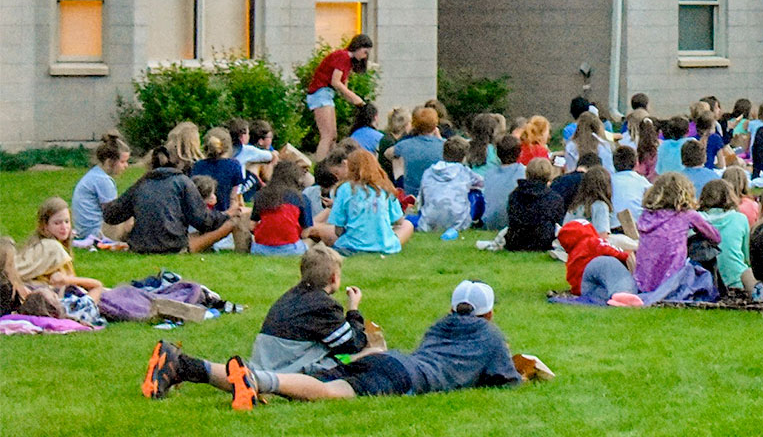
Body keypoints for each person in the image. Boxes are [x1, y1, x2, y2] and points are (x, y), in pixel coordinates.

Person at [216, 281, 527, 409]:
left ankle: (194, 367)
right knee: (330, 393)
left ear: (452, 309)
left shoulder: (440, 325)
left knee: (314, 381)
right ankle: (255, 381)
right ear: (490, 313)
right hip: (402, 375)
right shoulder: (491, 335)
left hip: (388, 359)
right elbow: (506, 380)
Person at [144, 245, 369, 402]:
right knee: (348, 368)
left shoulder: (292, 295)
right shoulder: (324, 305)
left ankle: (181, 364)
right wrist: (353, 310)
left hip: (270, 352)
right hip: (286, 360)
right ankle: (181, 364)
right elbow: (351, 345)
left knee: (248, 375)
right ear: (333, 278)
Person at [101, 131, 239, 254]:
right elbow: (203, 221)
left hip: (140, 246)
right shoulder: (182, 182)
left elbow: (112, 216)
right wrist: (226, 214)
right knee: (231, 223)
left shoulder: (141, 184)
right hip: (173, 246)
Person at [629, 173, 721, 303]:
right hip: (674, 279)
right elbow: (715, 237)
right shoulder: (686, 215)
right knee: (703, 271)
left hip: (644, 280)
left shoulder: (646, 216)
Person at [328, 149, 412, 255]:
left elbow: (338, 229)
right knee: (407, 224)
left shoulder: (345, 189)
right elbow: (398, 220)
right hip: (384, 245)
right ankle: (387, 244)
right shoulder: (385, 187)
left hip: (352, 246)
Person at [17, 197, 103, 298]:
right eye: (57, 223)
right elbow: (67, 282)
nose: (64, 227)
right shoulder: (51, 247)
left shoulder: (47, 245)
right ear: (44, 226)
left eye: (67, 221)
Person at [307, 34, 372, 159]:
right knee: (327, 135)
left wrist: (356, 102)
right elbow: (335, 82)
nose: (365, 56)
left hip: (326, 94)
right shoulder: (343, 56)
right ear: (358, 47)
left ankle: (331, 163)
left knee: (333, 135)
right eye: (365, 52)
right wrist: (355, 98)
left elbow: (343, 88)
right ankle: (321, 166)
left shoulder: (347, 62)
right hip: (320, 93)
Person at [247, 160, 317, 256]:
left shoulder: (262, 195)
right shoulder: (301, 199)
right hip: (290, 248)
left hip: (260, 248)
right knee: (311, 241)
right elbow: (305, 232)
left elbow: (251, 225)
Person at [72, 132, 130, 245]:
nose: (126, 166)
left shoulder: (94, 175)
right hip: (95, 232)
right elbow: (113, 213)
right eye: (122, 162)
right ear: (109, 162)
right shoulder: (103, 180)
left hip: (84, 230)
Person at [418, 138, 482, 235]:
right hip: (458, 223)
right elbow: (482, 183)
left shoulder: (429, 172)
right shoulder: (464, 172)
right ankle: (476, 221)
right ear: (464, 157)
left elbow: (422, 198)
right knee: (476, 194)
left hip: (428, 221)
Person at [698, 180, 753, 291]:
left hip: (703, 281)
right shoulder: (740, 219)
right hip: (737, 281)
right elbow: (747, 256)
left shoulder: (696, 220)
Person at [503, 157, 566, 252]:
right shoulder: (555, 199)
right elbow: (558, 221)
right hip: (543, 243)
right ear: (549, 175)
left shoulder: (514, 195)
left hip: (515, 241)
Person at [386, 108, 447, 198]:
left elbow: (387, 153)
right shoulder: (444, 146)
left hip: (411, 197)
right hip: (437, 195)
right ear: (435, 125)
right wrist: (439, 137)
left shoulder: (405, 145)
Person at [190, 128, 247, 215]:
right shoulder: (234, 165)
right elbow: (233, 198)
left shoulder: (197, 166)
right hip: (224, 215)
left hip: (200, 216)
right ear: (228, 146)